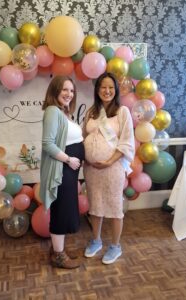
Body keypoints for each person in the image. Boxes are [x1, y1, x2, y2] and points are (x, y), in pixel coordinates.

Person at [83, 72, 135, 264]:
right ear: (97, 90)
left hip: (112, 168)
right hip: (91, 169)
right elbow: (83, 136)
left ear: (116, 90)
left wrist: (109, 161)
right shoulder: (91, 112)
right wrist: (86, 157)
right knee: (95, 205)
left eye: (110, 87)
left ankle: (115, 246)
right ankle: (96, 241)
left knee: (114, 206)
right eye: (103, 87)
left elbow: (126, 142)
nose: (107, 91)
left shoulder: (122, 112)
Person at [39, 75, 84, 269]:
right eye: (64, 89)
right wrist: (69, 159)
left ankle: (58, 249)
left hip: (69, 169)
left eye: (72, 91)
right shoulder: (52, 111)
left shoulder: (63, 112)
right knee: (61, 210)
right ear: (55, 90)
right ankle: (58, 255)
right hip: (62, 168)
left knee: (64, 208)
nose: (69, 94)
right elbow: (47, 144)